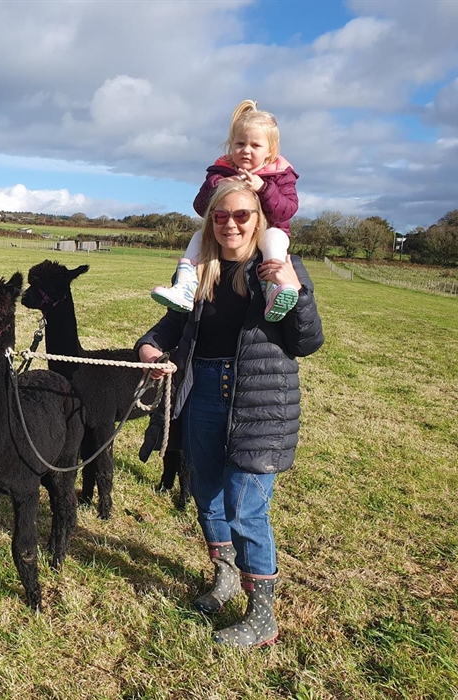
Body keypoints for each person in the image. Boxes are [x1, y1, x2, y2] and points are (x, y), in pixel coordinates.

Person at [137, 179, 324, 648]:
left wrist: (293, 291)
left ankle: (262, 616)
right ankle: (223, 577)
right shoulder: (203, 271)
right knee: (207, 493)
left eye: (242, 215)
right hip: (202, 393)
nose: (231, 224)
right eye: (221, 217)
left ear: (259, 220)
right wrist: (150, 346)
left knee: (245, 506)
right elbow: (172, 323)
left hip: (259, 400)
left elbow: (308, 341)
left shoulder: (279, 268)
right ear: (211, 222)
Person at [151, 100, 300, 322]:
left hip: (268, 232)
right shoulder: (219, 172)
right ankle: (184, 287)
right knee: (199, 236)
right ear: (231, 145)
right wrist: (217, 186)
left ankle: (273, 288)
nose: (246, 151)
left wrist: (264, 188)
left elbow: (287, 211)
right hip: (228, 242)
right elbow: (201, 208)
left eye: (255, 146)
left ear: (271, 152)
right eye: (240, 144)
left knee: (276, 238)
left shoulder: (279, 174)